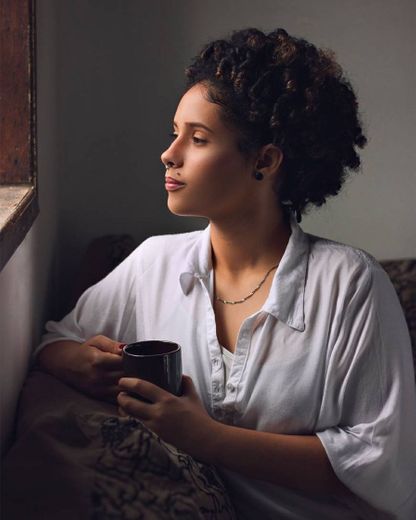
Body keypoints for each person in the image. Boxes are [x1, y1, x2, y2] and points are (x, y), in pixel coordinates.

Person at [34, 27, 416, 519]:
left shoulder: (350, 284)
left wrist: (208, 438)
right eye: (174, 133)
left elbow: (380, 461)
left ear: (265, 160)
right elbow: (54, 342)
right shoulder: (154, 263)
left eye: (197, 138)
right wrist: (82, 364)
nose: (169, 154)